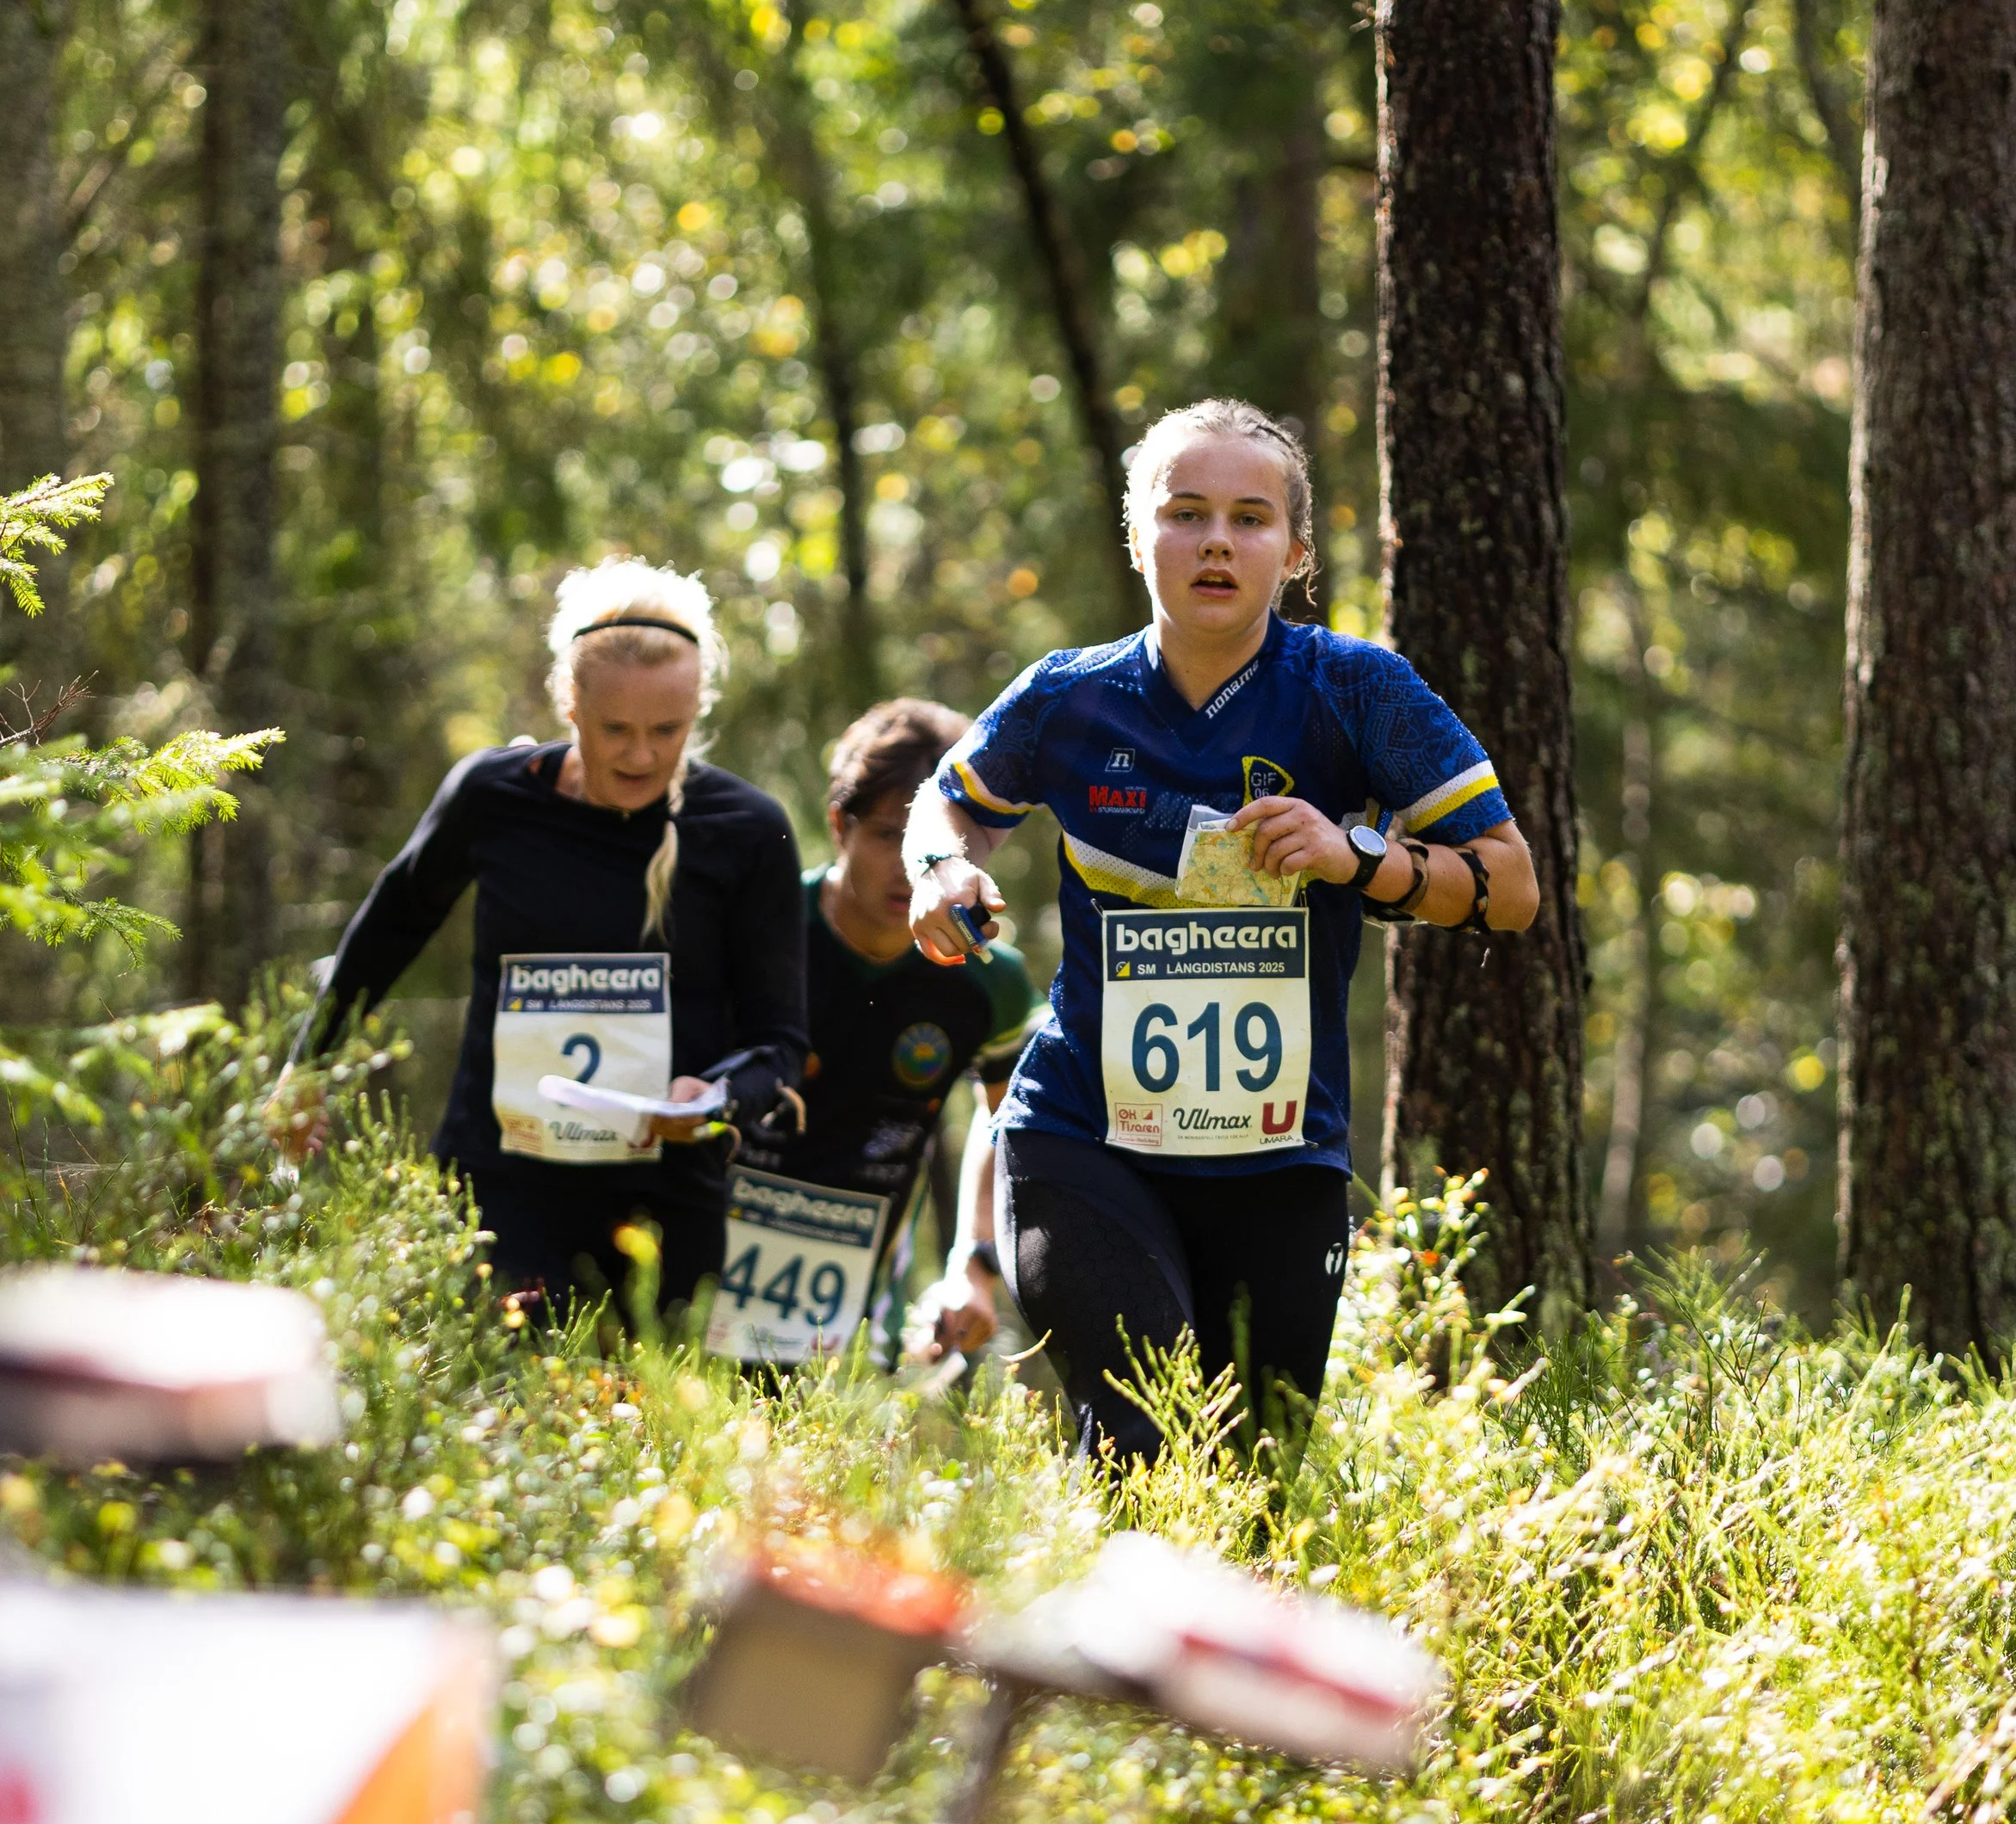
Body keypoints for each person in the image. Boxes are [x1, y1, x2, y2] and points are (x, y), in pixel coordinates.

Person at [904, 396, 1538, 1468]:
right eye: (1184, 511)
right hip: (1081, 1133)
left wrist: (1354, 857)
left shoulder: (1355, 689)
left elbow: (1511, 886)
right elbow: (945, 797)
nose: (1214, 541)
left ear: (1293, 552)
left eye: (1249, 519)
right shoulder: (1068, 695)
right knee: (1145, 1438)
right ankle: (1080, 1627)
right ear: (1137, 534)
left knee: (1248, 1480)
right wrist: (940, 863)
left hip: (1277, 1154)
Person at [272, 559, 808, 1322]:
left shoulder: (747, 831)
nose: (641, 755)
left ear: (698, 708)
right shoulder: (494, 797)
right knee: (489, 1404)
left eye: (667, 730)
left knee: (646, 1424)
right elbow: (389, 930)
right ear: (569, 701)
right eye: (614, 729)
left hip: (663, 1203)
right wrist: (307, 1067)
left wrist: (717, 1092)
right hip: (499, 1187)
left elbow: (779, 1041)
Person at [711, 698, 1040, 1370]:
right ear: (840, 824)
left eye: (934, 844)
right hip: (696, 1283)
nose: (910, 865)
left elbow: (1010, 1121)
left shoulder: (990, 982)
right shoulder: (754, 936)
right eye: (890, 835)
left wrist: (972, 1262)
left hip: (854, 1330)